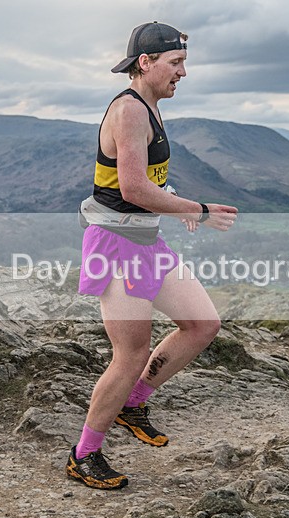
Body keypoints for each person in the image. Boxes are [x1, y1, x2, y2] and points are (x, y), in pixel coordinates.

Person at [66, 21, 238, 490]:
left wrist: (174, 200)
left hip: (146, 241)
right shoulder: (129, 111)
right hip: (114, 245)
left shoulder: (151, 108)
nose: (183, 72)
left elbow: (147, 178)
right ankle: (84, 455)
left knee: (202, 324)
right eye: (175, 63)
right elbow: (132, 189)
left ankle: (133, 402)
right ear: (145, 62)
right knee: (130, 354)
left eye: (183, 63)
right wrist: (198, 210)